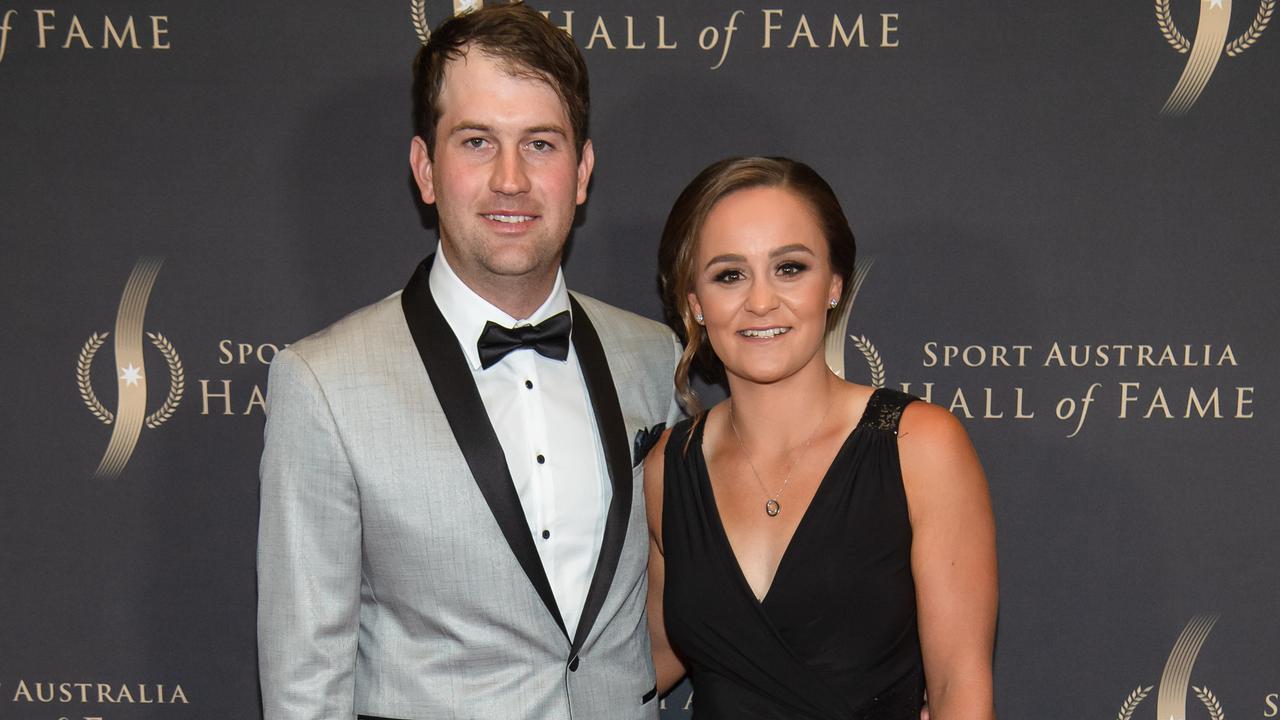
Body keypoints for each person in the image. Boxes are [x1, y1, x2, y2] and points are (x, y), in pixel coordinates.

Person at [256, 4, 682, 718]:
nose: (511, 179)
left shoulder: (652, 356)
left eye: (541, 144)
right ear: (425, 168)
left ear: (582, 172)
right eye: (477, 142)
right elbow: (305, 683)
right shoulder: (322, 385)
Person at [645, 157, 997, 719]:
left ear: (834, 284)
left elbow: (960, 688)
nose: (761, 302)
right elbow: (638, 664)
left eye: (789, 268)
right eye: (729, 275)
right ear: (695, 304)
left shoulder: (918, 446)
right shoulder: (670, 468)